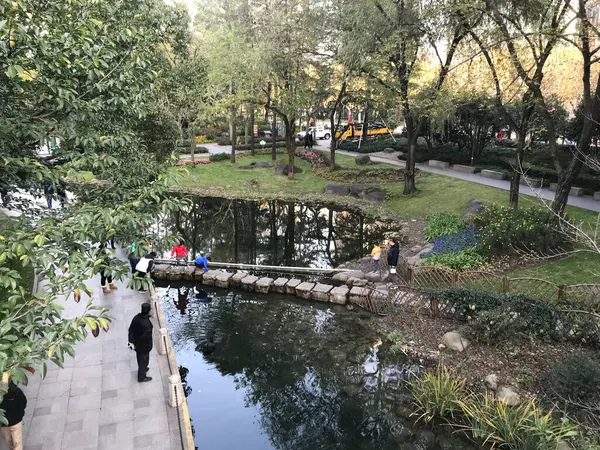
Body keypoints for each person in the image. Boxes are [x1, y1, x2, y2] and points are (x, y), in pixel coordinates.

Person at [128, 302, 153, 382]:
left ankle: (144, 368)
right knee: (144, 359)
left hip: (136, 344)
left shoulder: (136, 318)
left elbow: (130, 329)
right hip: (144, 346)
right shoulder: (147, 324)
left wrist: (132, 341)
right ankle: (142, 376)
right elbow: (145, 337)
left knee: (139, 357)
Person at [0, 382, 27, 450]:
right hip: (4, 425)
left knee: (17, 442)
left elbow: (23, 402)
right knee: (9, 441)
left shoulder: (15, 391)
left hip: (16, 422)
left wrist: (19, 414)